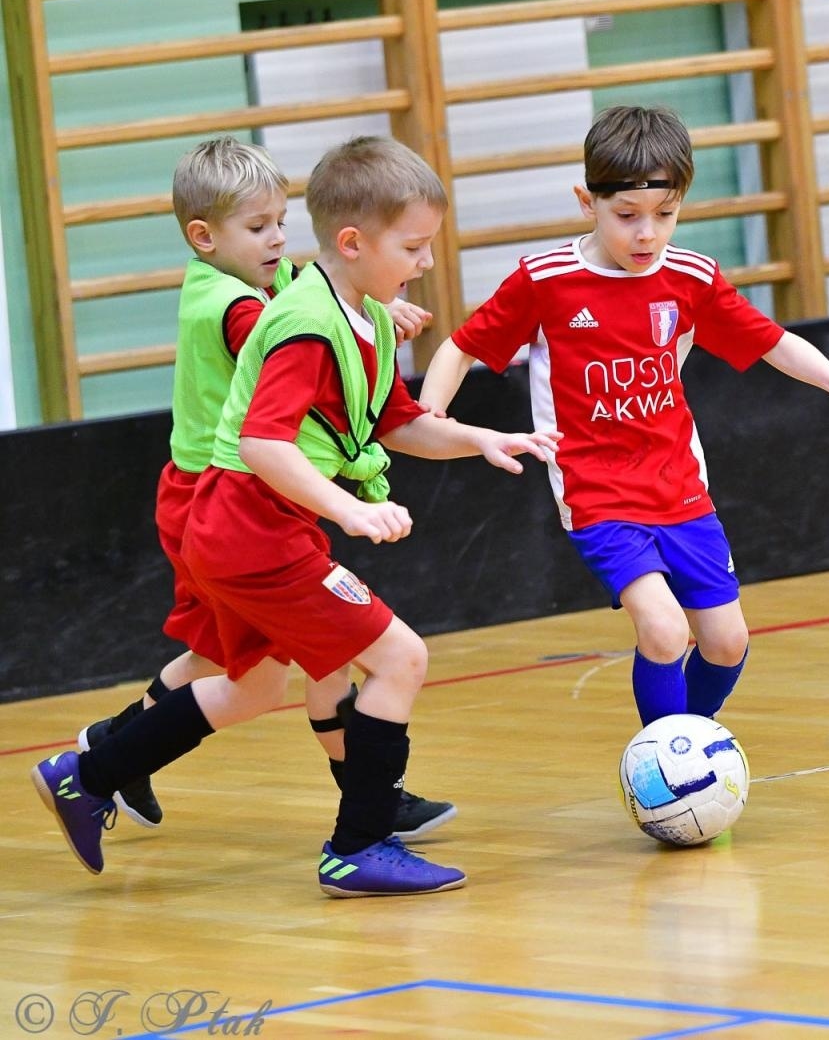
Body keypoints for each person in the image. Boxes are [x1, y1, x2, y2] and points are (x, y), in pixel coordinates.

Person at [31, 135, 560, 896]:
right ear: (353, 243)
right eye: (412, 247)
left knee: (254, 688)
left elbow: (398, 421)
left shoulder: (361, 316)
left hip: (242, 527)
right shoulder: (304, 325)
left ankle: (88, 775)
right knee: (400, 658)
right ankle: (360, 843)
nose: (425, 263)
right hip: (252, 530)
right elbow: (261, 442)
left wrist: (480, 437)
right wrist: (349, 510)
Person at [420, 105, 829, 729]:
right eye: (627, 216)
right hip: (597, 492)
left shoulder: (691, 278)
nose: (647, 234)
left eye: (665, 214)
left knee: (727, 642)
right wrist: (434, 413)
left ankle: (686, 741)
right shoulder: (546, 280)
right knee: (664, 631)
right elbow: (461, 346)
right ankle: (668, 758)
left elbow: (772, 341)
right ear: (587, 201)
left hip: (680, 487)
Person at [73, 136, 455, 841]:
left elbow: (319, 303)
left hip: (253, 496)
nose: (279, 238)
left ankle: (112, 754)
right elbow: (296, 330)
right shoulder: (232, 303)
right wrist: (361, 316)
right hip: (215, 497)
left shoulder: (262, 286)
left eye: (281, 221)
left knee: (254, 664)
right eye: (258, 227)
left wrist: (370, 308)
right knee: (279, 658)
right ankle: (364, 807)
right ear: (204, 237)